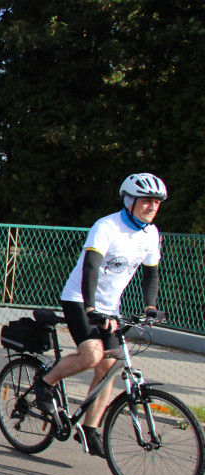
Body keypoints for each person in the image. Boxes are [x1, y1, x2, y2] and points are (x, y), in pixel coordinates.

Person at [33, 173, 166, 457]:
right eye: (146, 201)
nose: (152, 206)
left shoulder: (151, 234)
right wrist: (91, 309)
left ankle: (90, 429)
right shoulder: (107, 226)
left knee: (110, 367)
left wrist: (150, 308)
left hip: (110, 307)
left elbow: (150, 276)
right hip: (80, 298)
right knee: (92, 355)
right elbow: (91, 268)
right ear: (129, 201)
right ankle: (45, 383)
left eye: (156, 202)